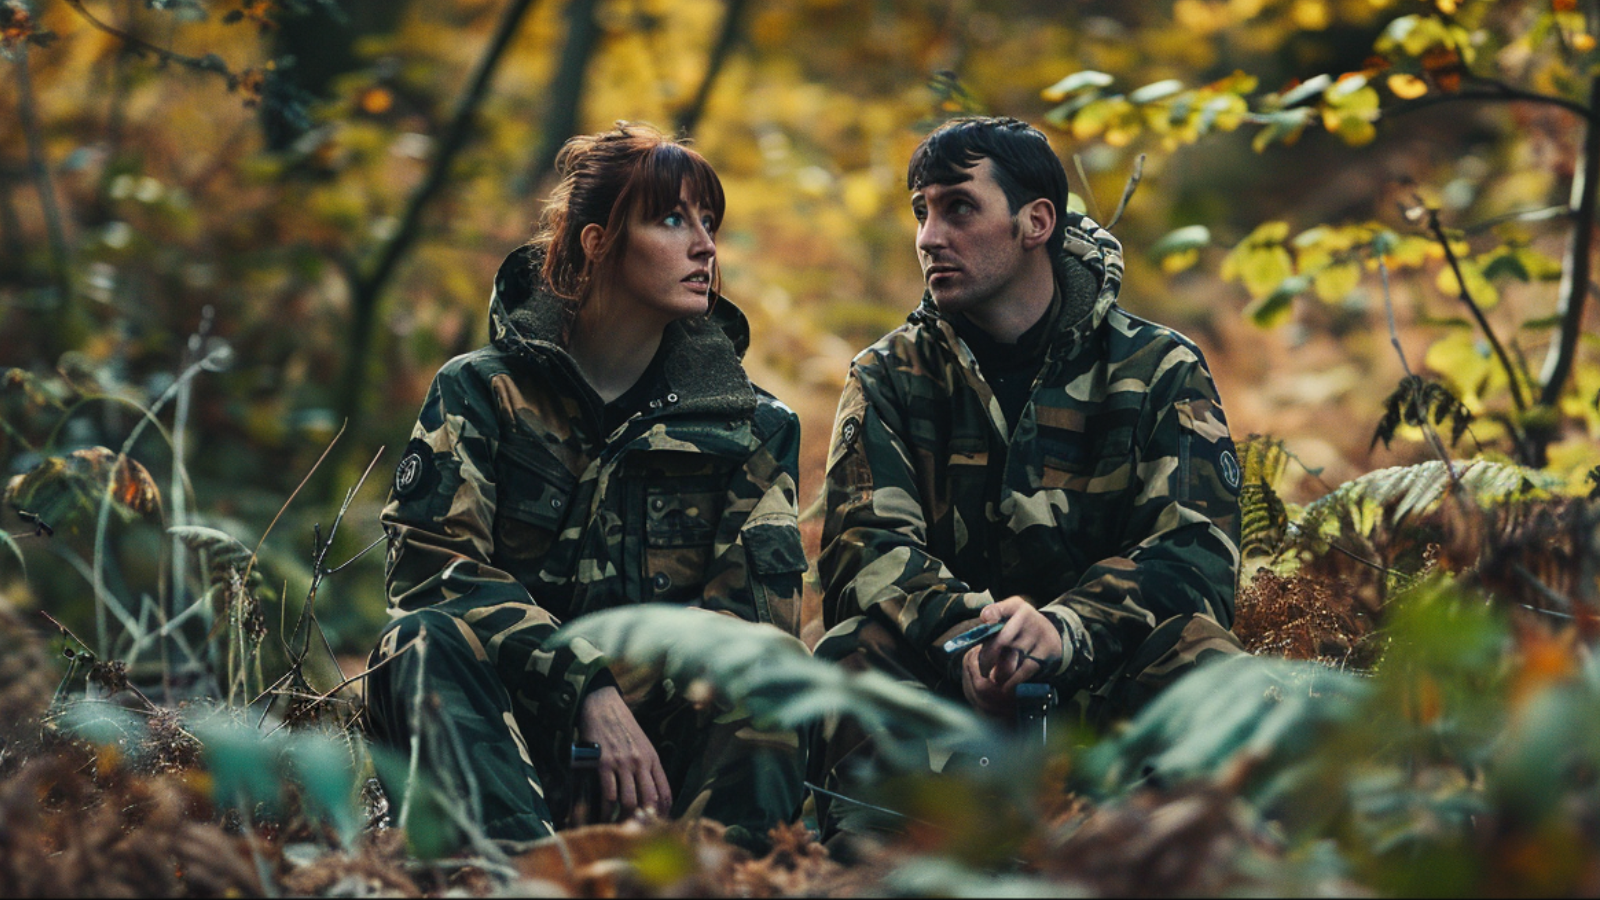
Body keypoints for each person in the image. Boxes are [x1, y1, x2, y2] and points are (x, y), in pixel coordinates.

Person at [364, 123, 808, 854]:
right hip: (507, 746)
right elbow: (432, 575)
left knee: (771, 673)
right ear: (597, 241)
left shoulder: (750, 428)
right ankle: (508, 877)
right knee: (418, 640)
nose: (705, 246)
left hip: (665, 772)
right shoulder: (482, 391)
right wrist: (585, 687)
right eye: (672, 219)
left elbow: (745, 636)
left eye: (709, 222)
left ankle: (718, 879)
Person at [813, 115, 1244, 836]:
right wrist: (971, 639)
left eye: (957, 207)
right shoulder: (889, 376)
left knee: (1204, 657)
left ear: (1035, 221)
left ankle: (1177, 865)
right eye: (921, 212)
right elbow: (862, 548)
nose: (928, 236)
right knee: (851, 653)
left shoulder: (1158, 369)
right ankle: (877, 874)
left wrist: (1064, 631)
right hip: (951, 688)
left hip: (1102, 687)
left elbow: (1196, 556)